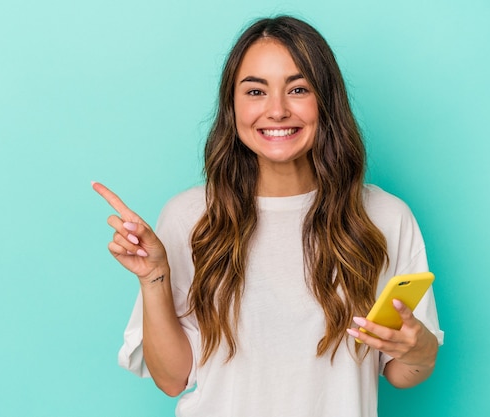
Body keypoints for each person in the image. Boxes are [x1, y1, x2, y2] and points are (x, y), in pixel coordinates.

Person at [92, 15, 443, 417]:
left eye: (297, 89)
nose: (276, 110)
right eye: (256, 91)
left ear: (325, 102)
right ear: (232, 106)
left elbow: (403, 373)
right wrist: (153, 277)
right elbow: (172, 379)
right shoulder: (189, 217)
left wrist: (421, 350)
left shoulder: (383, 217)